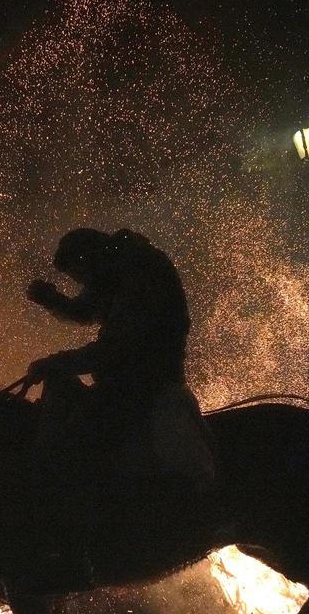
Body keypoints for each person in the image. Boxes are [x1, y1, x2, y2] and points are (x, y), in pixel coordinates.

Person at [19, 228, 215, 588]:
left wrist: (56, 362)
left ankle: (105, 538)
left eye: (78, 276)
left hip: (147, 383)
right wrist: (54, 301)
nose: (81, 283)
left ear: (89, 259)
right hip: (124, 379)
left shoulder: (141, 276)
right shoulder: (117, 268)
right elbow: (87, 310)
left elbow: (119, 348)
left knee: (87, 440)